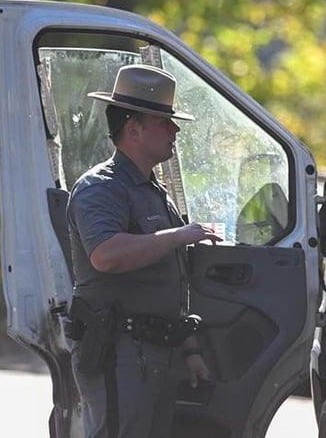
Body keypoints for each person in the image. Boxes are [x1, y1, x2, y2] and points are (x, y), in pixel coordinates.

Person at [66, 64, 222, 438]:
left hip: (150, 354)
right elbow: (106, 254)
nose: (175, 131)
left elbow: (170, 279)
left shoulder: (151, 189)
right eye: (164, 122)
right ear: (133, 129)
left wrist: (189, 350)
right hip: (118, 354)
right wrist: (179, 235)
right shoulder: (101, 188)